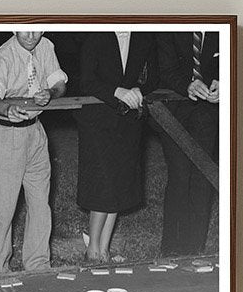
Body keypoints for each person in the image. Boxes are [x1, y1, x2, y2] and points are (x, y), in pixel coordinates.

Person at [0, 31, 67, 275]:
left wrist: (51, 93)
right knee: (1, 209)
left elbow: (59, 82)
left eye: (37, 28)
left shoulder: (46, 46)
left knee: (40, 204)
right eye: (25, 28)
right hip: (5, 134)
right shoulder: (4, 56)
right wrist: (6, 109)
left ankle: (38, 266)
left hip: (36, 133)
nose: (31, 35)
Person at [75, 31, 157, 263]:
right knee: (103, 186)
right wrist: (117, 91)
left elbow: (153, 77)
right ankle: (92, 252)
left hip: (128, 122)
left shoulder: (144, 38)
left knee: (118, 185)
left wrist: (141, 89)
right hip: (98, 121)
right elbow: (87, 80)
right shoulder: (94, 36)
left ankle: (104, 249)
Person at [154, 30, 220, 258]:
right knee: (180, 177)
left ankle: (195, 250)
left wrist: (223, 81)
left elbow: (229, 61)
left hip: (207, 114)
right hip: (174, 111)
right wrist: (187, 85)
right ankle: (171, 249)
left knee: (202, 180)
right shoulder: (171, 26)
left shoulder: (220, 26)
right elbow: (164, 69)